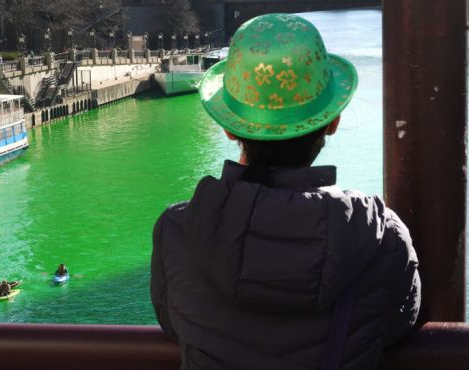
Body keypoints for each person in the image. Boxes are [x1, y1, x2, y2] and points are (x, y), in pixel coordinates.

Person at [150, 13, 420, 370]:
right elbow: (398, 325)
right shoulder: (381, 235)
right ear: (333, 121)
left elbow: (173, 323)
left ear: (231, 130)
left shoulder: (178, 232)